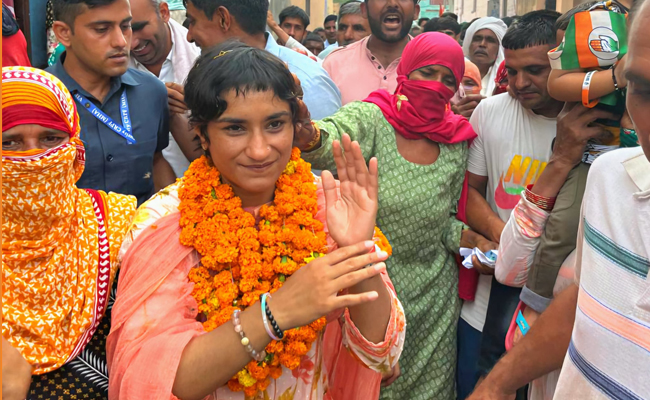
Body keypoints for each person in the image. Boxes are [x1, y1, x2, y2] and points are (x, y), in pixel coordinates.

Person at [106, 41, 406, 400]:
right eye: (235, 129)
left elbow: (381, 354)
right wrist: (275, 312)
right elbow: (151, 379)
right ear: (201, 134)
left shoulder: (330, 205)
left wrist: (357, 252)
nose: (260, 149)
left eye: (275, 124)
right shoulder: (162, 222)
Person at [296, 32, 495, 400]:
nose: (437, 86)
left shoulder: (455, 139)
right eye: (427, 73)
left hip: (433, 299)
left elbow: (446, 220)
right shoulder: (372, 118)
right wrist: (309, 134)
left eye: (448, 79)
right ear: (406, 72)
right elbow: (330, 144)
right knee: (364, 386)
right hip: (367, 289)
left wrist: (474, 241)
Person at [469, 1, 650, 398]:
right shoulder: (610, 180)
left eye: (534, 71)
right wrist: (564, 157)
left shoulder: (619, 162)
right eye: (643, 89)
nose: (519, 83)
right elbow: (515, 268)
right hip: (526, 327)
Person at [1, 66, 137, 400]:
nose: (34, 158)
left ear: (74, 146)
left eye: (51, 139)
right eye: (10, 142)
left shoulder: (119, 225)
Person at [458, 11, 563, 400]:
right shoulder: (491, 111)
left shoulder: (588, 126)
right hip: (487, 303)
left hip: (556, 306)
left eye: (535, 70)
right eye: (512, 70)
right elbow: (471, 194)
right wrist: (509, 245)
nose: (520, 83)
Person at [47, 0, 176, 205]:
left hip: (141, 233)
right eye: (101, 29)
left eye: (126, 26)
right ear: (63, 33)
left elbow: (156, 160)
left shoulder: (152, 92)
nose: (121, 42)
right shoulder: (38, 100)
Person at [184, 0, 341, 120]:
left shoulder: (307, 81)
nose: (189, 36)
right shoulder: (209, 74)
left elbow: (323, 157)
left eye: (193, 21)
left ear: (223, 19)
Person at [129, 0, 201, 178]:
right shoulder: (111, 68)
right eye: (125, 29)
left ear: (163, 12)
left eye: (138, 27)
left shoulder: (202, 56)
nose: (132, 43)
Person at [323, 0, 419, 105]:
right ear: (364, 9)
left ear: (416, 11)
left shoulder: (434, 65)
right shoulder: (333, 65)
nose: (392, 3)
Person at [454, 17, 507, 120]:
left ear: (499, 48)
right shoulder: (452, 71)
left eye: (490, 40)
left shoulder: (505, 79)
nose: (482, 44)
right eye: (477, 39)